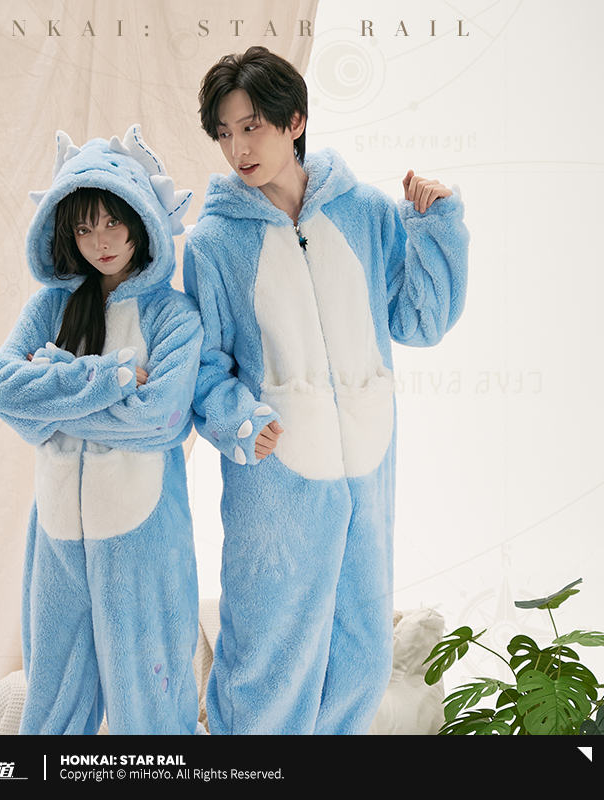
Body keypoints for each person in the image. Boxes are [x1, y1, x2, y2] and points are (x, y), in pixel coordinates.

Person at [183, 46, 469, 735]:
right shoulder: (212, 243)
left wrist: (438, 227)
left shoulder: (365, 213)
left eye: (252, 127)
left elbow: (420, 320)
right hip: (275, 483)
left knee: (362, 660)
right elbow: (204, 364)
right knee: (268, 662)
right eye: (224, 133)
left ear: (295, 122)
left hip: (366, 473)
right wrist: (239, 419)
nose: (238, 148)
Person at [0, 125, 203, 735]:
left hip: (143, 536)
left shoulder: (173, 314)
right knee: (52, 705)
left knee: (151, 707)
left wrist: (51, 392)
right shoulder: (49, 309)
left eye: (111, 222)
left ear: (140, 222)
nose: (100, 241)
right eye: (83, 229)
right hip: (56, 530)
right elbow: (3, 390)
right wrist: (111, 377)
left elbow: (160, 418)